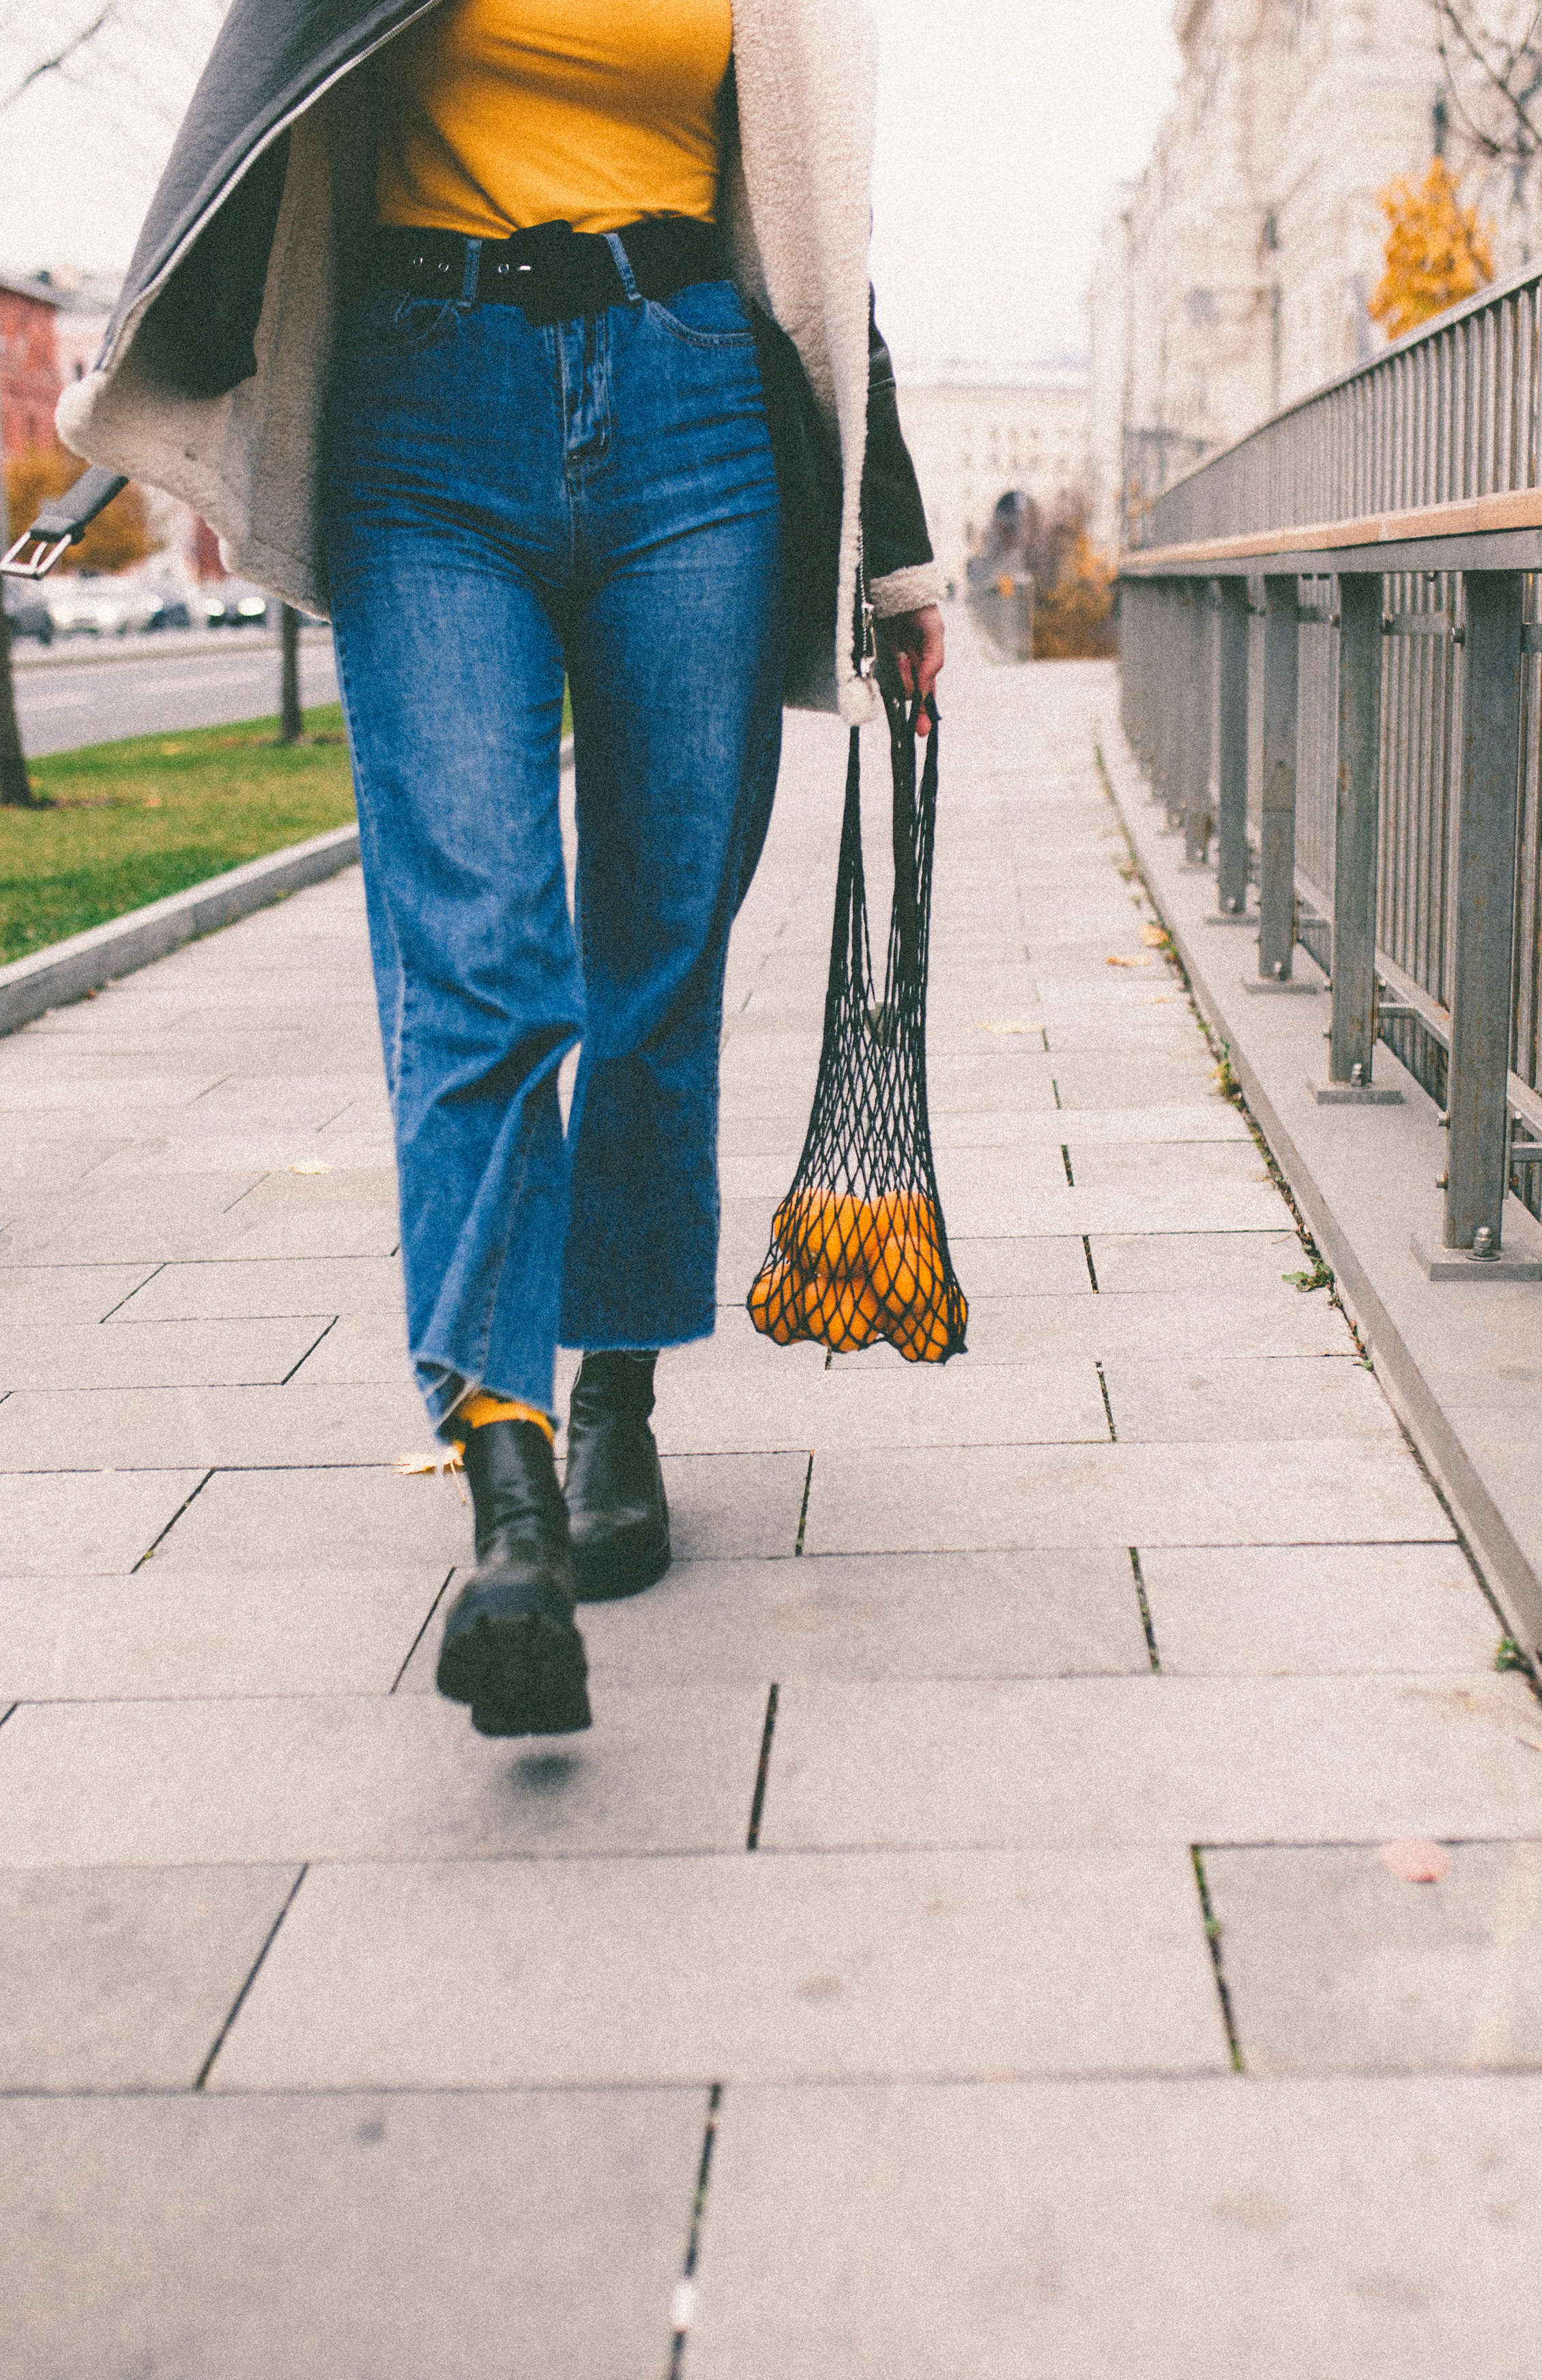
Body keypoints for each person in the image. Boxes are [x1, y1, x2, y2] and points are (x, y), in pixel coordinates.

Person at [61, 0, 944, 1739]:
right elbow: (253, 117)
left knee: (659, 947)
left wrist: (896, 556)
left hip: (692, 407)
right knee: (476, 957)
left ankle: (614, 1385)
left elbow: (817, 239)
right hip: (427, 415)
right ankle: (507, 1470)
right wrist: (173, 386)